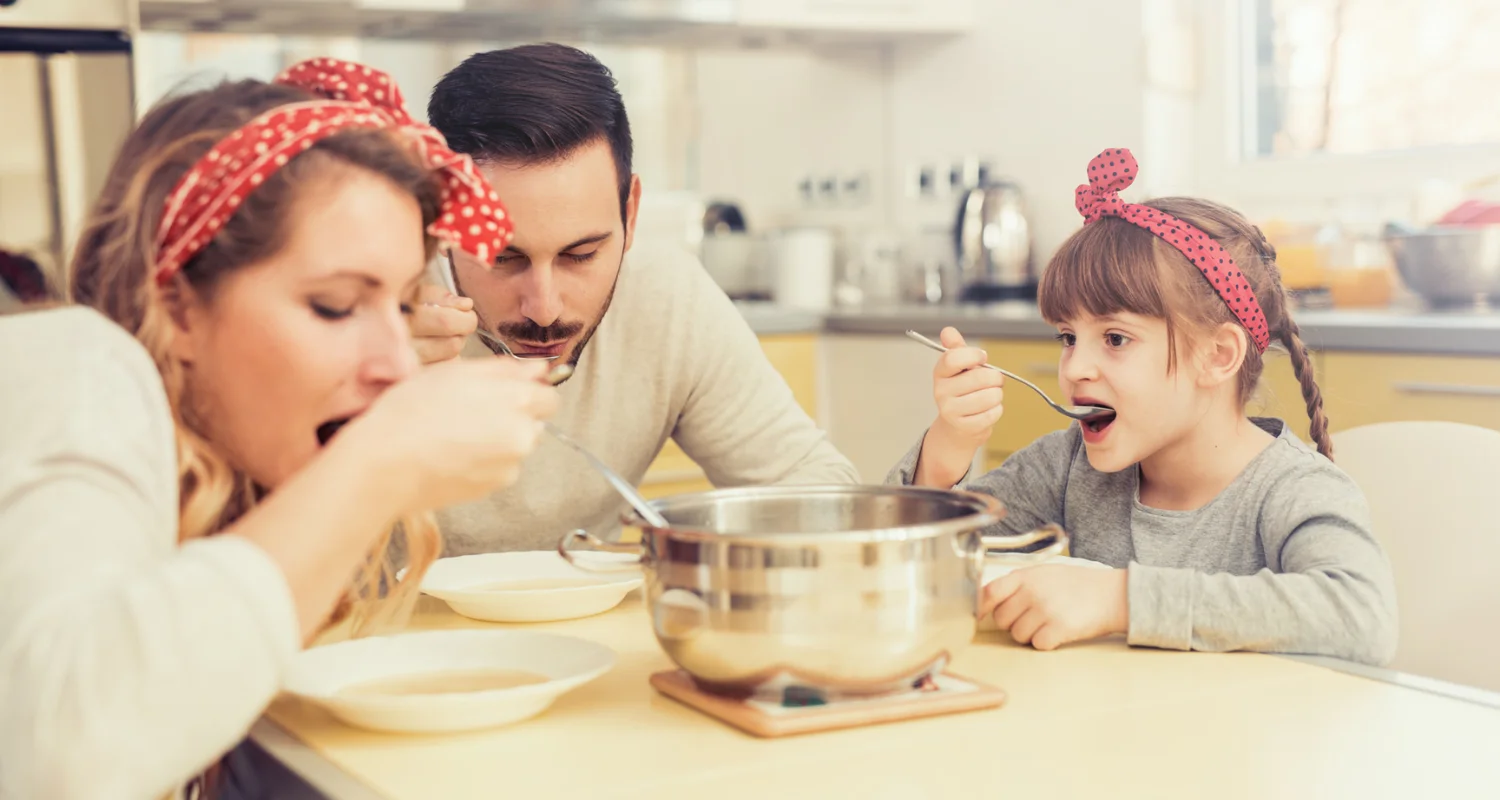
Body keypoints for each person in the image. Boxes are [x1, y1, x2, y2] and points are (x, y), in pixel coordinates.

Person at [0, 58, 558, 799]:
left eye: (400, 306)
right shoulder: (76, 365)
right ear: (177, 308)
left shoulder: (219, 472)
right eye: (334, 306)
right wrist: (376, 466)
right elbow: (63, 755)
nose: (397, 364)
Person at [890, 148, 1397, 665]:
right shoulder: (1068, 469)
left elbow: (1362, 617)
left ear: (1218, 356)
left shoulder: (1292, 491)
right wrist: (946, 450)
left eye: (1114, 338)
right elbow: (901, 565)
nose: (1074, 368)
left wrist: (1119, 600)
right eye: (1068, 337)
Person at [409, 43, 857, 555]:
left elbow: (815, 491)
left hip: (595, 624)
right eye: (503, 259)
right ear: (441, 221)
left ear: (632, 212)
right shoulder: (370, 304)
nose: (545, 308)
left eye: (581, 255)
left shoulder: (665, 297)